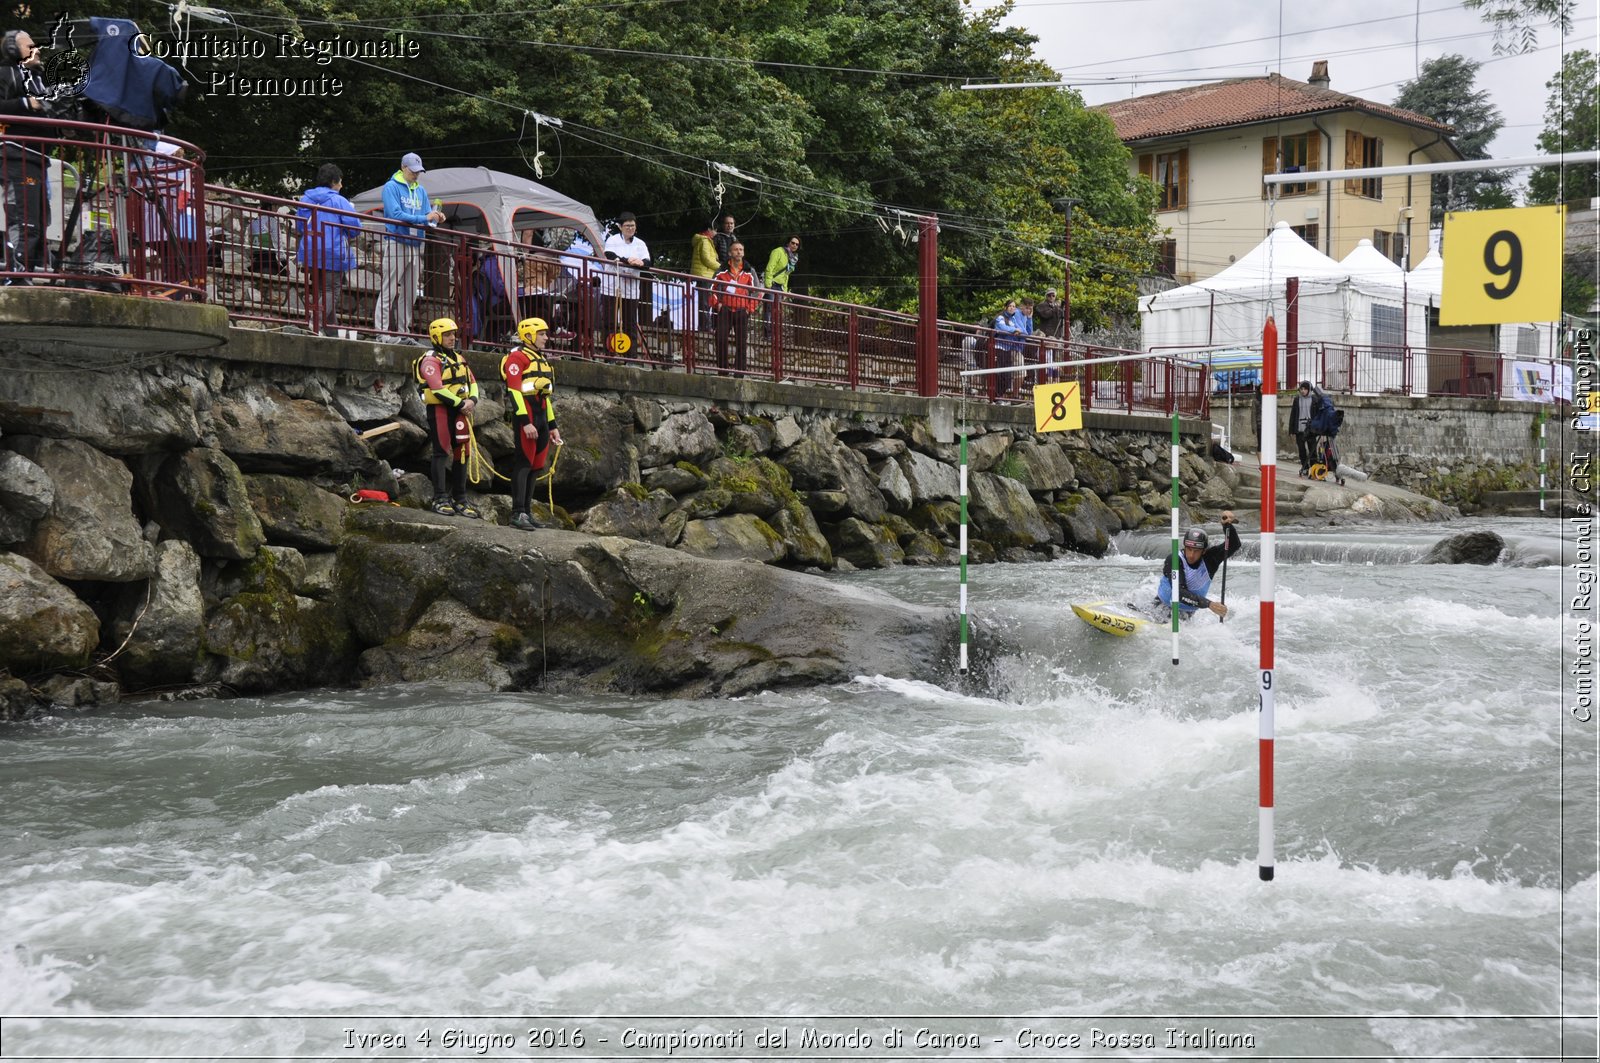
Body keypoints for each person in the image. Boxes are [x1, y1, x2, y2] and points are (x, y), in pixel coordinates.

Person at [499, 317, 564, 530]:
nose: (547, 337)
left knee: (536, 467)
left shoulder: (542, 359)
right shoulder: (517, 358)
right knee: (524, 463)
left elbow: (545, 397)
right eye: (542, 334)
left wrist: (552, 426)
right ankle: (517, 513)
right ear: (528, 335)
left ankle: (527, 512)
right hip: (525, 417)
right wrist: (526, 422)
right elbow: (514, 391)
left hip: (542, 418)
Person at [413, 317, 481, 518]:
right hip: (441, 410)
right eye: (447, 335)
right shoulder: (430, 360)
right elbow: (437, 388)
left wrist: (473, 400)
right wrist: (462, 404)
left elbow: (472, 382)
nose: (452, 338)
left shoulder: (459, 359)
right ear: (436, 337)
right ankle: (440, 497)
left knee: (463, 452)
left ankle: (460, 498)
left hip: (461, 410)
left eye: (453, 334)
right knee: (441, 451)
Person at [375, 152, 444, 338]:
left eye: (418, 171)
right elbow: (395, 215)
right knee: (389, 289)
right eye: (413, 171)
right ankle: (381, 332)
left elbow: (427, 216)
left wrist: (436, 217)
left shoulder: (420, 190)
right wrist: (425, 217)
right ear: (403, 168)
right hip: (396, 241)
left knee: (410, 292)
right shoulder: (391, 187)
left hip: (415, 245)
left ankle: (403, 333)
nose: (416, 174)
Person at [0, 29, 51, 274]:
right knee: (24, 220)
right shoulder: (4, 73)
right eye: (30, 45)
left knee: (39, 223)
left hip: (37, 158)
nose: (37, 49)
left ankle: (30, 271)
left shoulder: (38, 79)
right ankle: (16, 274)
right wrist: (25, 103)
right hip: (15, 156)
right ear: (13, 49)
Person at [295, 163, 358, 337]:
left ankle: (331, 332)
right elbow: (355, 228)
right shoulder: (339, 200)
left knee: (321, 289)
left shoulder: (306, 199)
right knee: (332, 289)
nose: (341, 186)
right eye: (340, 182)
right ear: (333, 181)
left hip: (310, 250)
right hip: (333, 251)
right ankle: (315, 321)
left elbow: (300, 226)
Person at [1156, 514, 1241, 621]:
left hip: (1187, 615)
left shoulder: (1210, 560)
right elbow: (1179, 593)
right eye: (1189, 549)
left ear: (1204, 551)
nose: (1191, 555)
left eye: (1196, 551)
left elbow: (1234, 545)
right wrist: (1209, 604)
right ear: (1184, 546)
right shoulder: (1174, 560)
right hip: (1161, 609)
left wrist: (1227, 526)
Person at [601, 211, 651, 356]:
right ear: (620, 227)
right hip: (611, 287)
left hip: (631, 290)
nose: (630, 228)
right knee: (610, 323)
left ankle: (631, 356)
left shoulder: (640, 243)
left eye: (633, 225)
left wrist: (640, 262)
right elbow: (609, 254)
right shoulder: (613, 239)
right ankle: (609, 354)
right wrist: (627, 260)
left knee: (630, 324)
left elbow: (647, 262)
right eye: (627, 225)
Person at [710, 240, 759, 374]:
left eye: (741, 250)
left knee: (741, 343)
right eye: (736, 249)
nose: (739, 252)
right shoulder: (721, 270)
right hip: (725, 309)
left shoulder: (750, 271)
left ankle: (740, 373)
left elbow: (756, 292)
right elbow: (711, 288)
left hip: (742, 310)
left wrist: (750, 308)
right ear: (730, 253)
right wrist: (717, 304)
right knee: (720, 339)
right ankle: (723, 371)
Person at [1290, 379, 1327, 477]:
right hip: (1299, 429)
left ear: (1309, 389)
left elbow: (1319, 414)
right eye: (1301, 389)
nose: (1303, 391)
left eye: (1305, 389)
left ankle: (1313, 468)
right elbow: (1293, 415)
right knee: (1301, 450)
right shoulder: (1297, 399)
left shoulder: (1314, 399)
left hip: (1311, 429)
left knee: (1312, 450)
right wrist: (1291, 430)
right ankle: (1305, 467)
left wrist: (1320, 429)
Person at [993, 299, 1027, 398]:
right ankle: (997, 396)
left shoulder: (1013, 320)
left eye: (1014, 306)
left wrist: (1021, 327)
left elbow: (1022, 331)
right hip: (999, 348)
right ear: (1006, 307)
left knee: (1007, 375)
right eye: (1010, 306)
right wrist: (1014, 330)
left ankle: (1000, 395)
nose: (1012, 308)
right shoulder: (1001, 317)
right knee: (1001, 373)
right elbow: (1001, 327)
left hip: (1008, 349)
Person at [689, 222, 718, 330]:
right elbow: (707, 259)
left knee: (704, 302)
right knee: (705, 303)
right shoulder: (705, 240)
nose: (716, 233)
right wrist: (721, 267)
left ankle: (704, 325)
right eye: (715, 230)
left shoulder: (702, 240)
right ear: (709, 229)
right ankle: (706, 326)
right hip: (705, 275)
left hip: (703, 274)